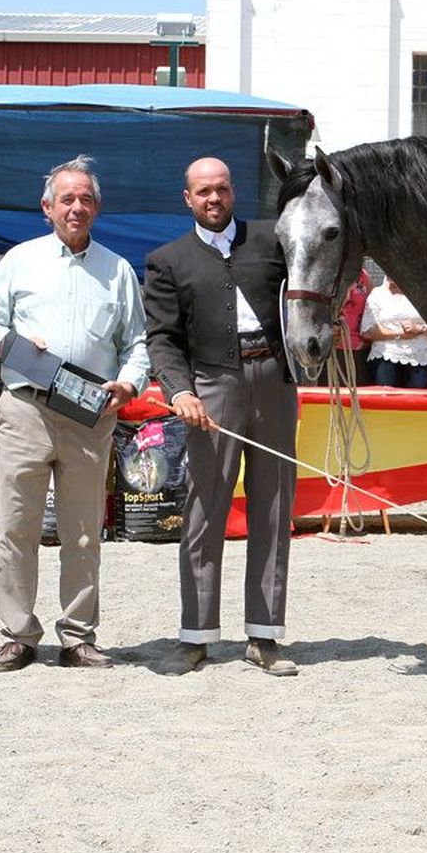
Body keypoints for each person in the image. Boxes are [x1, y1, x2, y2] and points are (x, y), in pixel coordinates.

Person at [0, 156, 148, 673]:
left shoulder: (117, 270)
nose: (76, 207)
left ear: (97, 207)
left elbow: (137, 342)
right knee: (16, 526)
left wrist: (130, 382)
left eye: (85, 199)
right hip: (25, 408)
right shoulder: (18, 261)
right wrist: (11, 343)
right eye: (66, 199)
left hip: (90, 415)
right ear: (46, 207)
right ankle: (18, 635)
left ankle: (78, 636)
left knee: (84, 531)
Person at [144, 156, 299, 677]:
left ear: (234, 193)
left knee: (274, 507)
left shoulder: (271, 241)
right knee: (205, 510)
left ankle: (264, 635)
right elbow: (162, 339)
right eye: (204, 192)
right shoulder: (168, 261)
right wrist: (180, 391)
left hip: (275, 379)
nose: (214, 199)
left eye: (223, 190)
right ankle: (196, 635)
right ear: (187, 198)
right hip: (211, 387)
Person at [361, 276, 427, 388]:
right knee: (385, 401)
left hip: (421, 357)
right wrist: (399, 334)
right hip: (386, 356)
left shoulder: (425, 292)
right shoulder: (377, 294)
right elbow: (366, 330)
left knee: (417, 402)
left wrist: (419, 328)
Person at [320, 268, 372, 387]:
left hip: (359, 347)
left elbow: (372, 305)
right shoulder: (328, 274)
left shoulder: (364, 277)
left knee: (358, 392)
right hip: (333, 344)